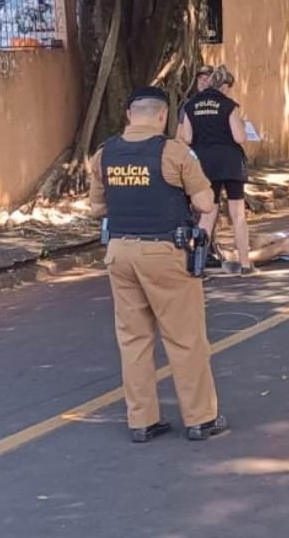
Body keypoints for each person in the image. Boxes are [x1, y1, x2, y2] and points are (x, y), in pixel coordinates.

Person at [89, 86, 228, 443]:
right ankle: (200, 418)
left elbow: (97, 208)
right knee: (184, 339)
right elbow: (205, 202)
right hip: (165, 252)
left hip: (119, 252)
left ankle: (142, 421)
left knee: (133, 340)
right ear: (163, 116)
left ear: (129, 115)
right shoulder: (174, 152)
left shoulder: (104, 154)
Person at [180, 65, 256, 276]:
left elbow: (185, 138)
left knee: (207, 214)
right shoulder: (228, 105)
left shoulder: (191, 105)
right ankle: (245, 265)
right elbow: (240, 137)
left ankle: (199, 265)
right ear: (223, 86)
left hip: (203, 164)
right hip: (230, 164)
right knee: (237, 214)